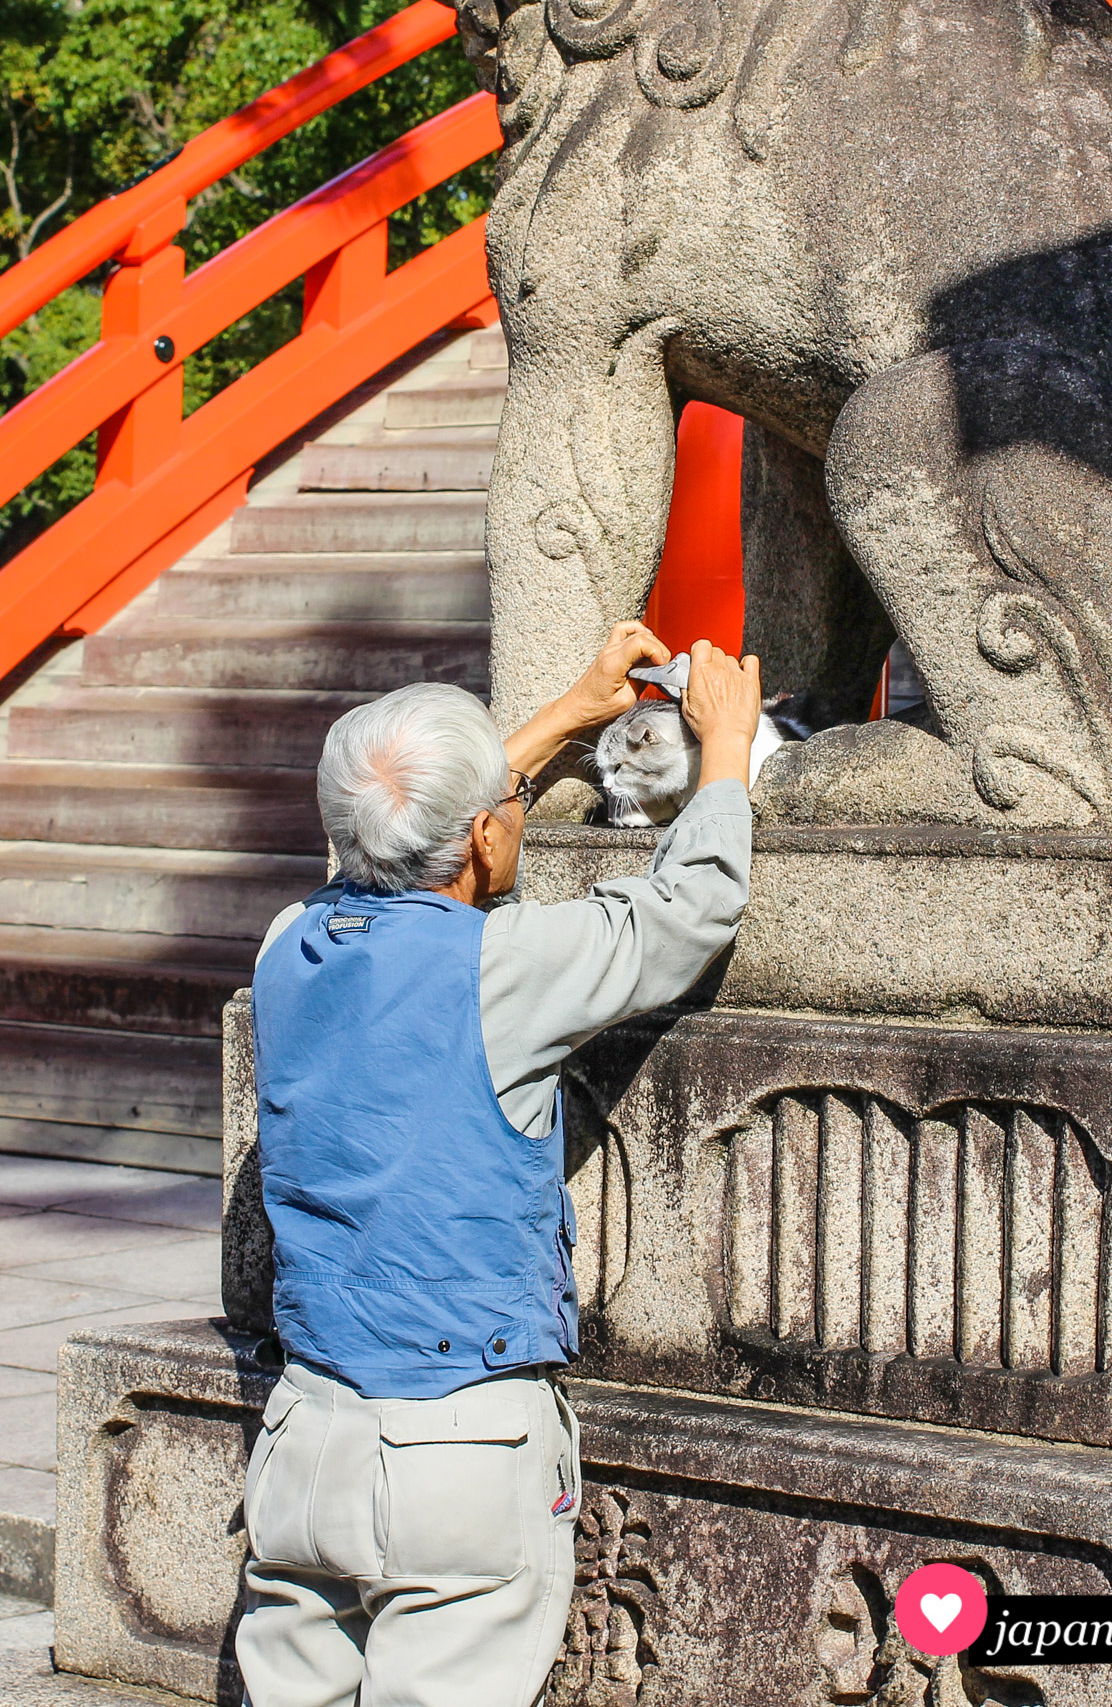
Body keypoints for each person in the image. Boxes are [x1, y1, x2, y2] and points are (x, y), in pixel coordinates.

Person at [237, 621, 762, 1707]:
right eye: (501, 813)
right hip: (458, 1443)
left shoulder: (288, 943)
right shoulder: (502, 969)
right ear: (484, 833)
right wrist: (722, 752)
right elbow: (685, 910)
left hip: (303, 1433)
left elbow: (394, 844)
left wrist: (573, 709)